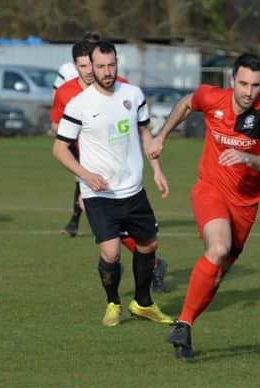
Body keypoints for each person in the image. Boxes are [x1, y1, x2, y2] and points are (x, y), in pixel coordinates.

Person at [149, 53, 260, 360]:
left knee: (218, 273)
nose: (249, 91)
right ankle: (182, 323)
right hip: (210, 188)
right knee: (218, 247)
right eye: (244, 83)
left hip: (247, 203)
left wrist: (248, 157)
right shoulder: (211, 97)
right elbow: (185, 103)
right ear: (232, 80)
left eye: (256, 85)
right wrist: (161, 136)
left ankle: (185, 325)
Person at [52, 40, 173, 327]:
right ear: (90, 68)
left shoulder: (133, 94)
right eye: (101, 66)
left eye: (111, 65)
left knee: (148, 244)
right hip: (99, 192)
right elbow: (59, 149)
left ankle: (143, 303)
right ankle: (113, 302)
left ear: (117, 63)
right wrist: (85, 175)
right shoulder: (79, 104)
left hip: (133, 188)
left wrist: (157, 169)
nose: (107, 71)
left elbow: (145, 133)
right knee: (111, 252)